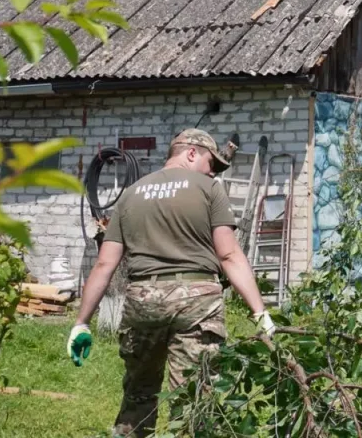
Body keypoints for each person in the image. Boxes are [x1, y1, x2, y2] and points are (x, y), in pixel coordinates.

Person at [66, 129, 276, 437]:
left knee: (138, 394)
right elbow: (229, 255)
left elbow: (104, 264)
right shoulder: (209, 189)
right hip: (197, 304)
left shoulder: (131, 194)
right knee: (191, 401)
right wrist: (260, 312)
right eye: (210, 163)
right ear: (191, 153)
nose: (212, 171)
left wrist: (81, 323)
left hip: (143, 302)